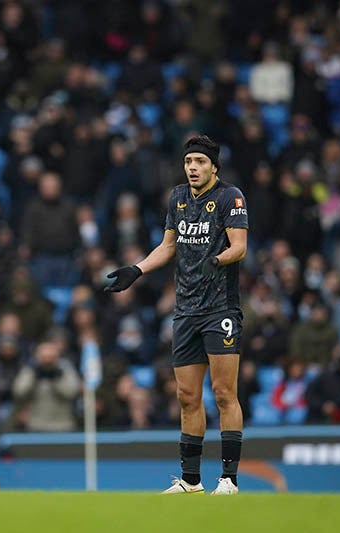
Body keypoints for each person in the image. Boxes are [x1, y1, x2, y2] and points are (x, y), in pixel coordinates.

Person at [106, 135, 248, 495]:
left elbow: (240, 247)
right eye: (189, 162)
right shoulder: (178, 197)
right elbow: (168, 246)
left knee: (223, 392)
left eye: (200, 162)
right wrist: (136, 270)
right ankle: (190, 480)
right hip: (184, 310)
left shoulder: (230, 197)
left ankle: (229, 479)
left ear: (214, 166)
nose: (193, 168)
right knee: (186, 396)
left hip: (220, 308)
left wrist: (215, 259)